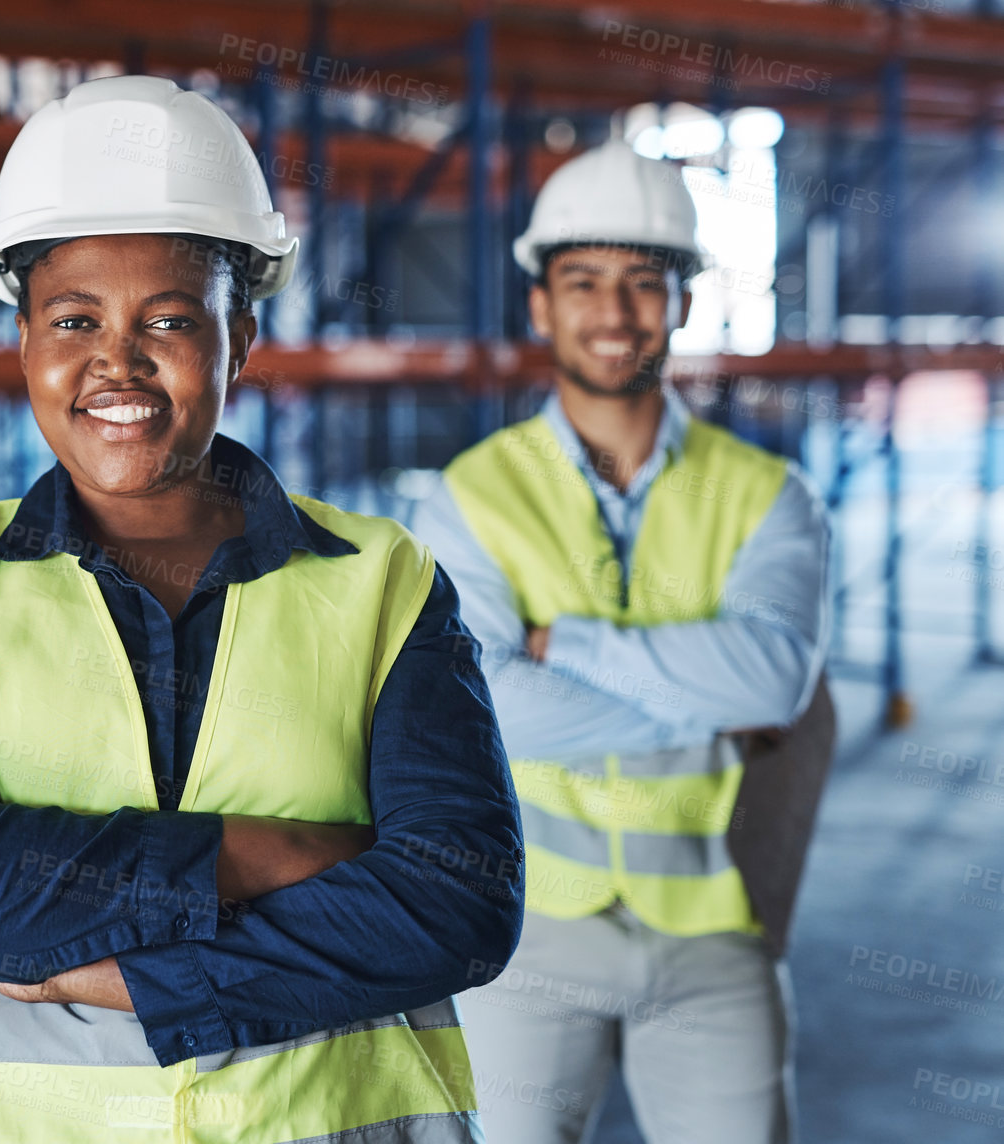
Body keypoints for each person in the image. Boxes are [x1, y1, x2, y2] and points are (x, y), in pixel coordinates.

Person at [0, 74, 523, 1144]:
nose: (117, 360)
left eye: (169, 319)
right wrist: (277, 850)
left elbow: (456, 905)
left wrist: (122, 972)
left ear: (241, 340)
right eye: (73, 318)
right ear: (23, 343)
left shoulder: (383, 580)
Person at [413, 139, 832, 1143]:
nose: (615, 312)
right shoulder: (469, 496)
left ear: (682, 301)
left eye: (645, 282)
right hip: (525, 932)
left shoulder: (767, 495)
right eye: (584, 280)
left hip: (715, 934)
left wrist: (572, 644)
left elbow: (773, 679)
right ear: (541, 305)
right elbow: (490, 713)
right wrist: (704, 701)